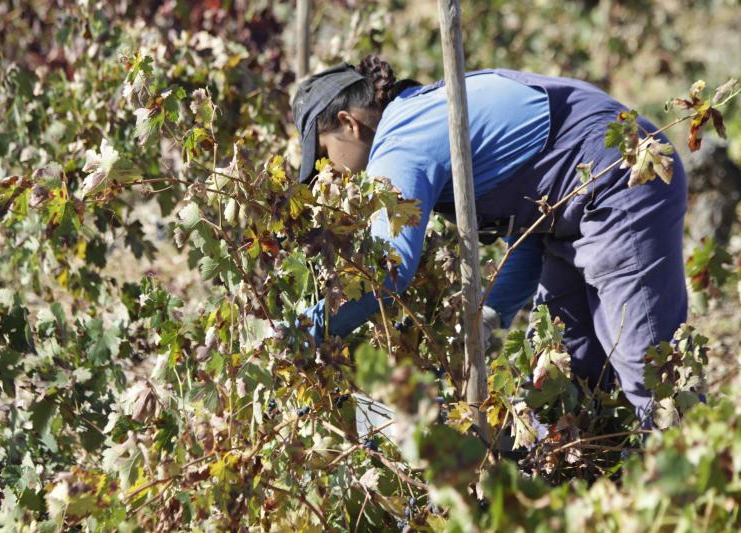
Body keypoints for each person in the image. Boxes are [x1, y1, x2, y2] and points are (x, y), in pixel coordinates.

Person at [290, 55, 688, 424]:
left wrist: (300, 333)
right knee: (567, 378)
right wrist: (491, 315)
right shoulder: (425, 111)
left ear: (349, 123)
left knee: (648, 372)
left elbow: (389, 269)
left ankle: (700, 486)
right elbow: (532, 231)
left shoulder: (401, 140)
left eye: (324, 157)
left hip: (623, 178)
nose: (330, 176)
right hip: (577, 207)